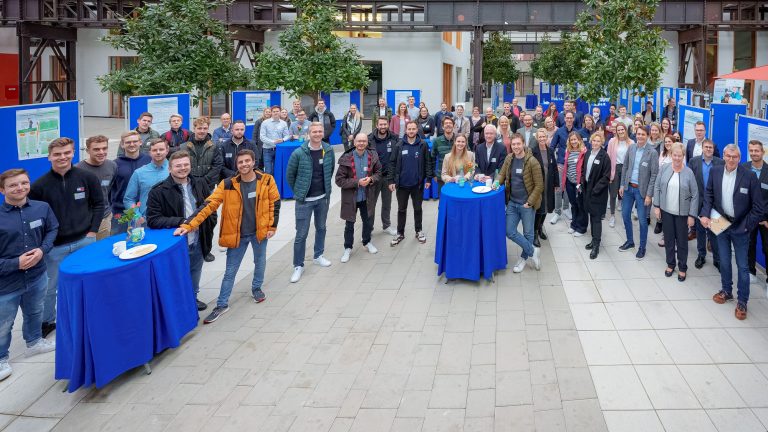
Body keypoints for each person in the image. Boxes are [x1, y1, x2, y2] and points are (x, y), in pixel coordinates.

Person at [176, 149, 281, 323]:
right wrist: (188, 224)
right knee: (230, 271)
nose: (244, 164)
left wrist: (272, 226)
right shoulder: (228, 184)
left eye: (247, 161)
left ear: (254, 162)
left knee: (260, 262)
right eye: (240, 162)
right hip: (236, 236)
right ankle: (222, 304)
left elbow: (274, 203)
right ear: (236, 165)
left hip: (259, 233)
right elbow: (208, 205)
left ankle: (256, 288)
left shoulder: (267, 180)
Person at [29, 138, 104, 338]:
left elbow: (98, 205)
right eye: (57, 154)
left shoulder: (87, 178)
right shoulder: (39, 186)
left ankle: (89, 313)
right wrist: (45, 245)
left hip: (84, 241)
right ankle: (47, 322)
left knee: (88, 280)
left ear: (73, 153)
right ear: (49, 157)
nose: (62, 157)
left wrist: (92, 232)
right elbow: (36, 219)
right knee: (50, 288)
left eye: (67, 153)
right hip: (55, 248)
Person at [0, 168, 59, 381]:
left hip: (37, 276)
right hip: (6, 284)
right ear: (2, 189)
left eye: (24, 183)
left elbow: (53, 229)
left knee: (35, 311)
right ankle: (0, 358)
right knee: (4, 323)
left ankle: (34, 342)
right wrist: (16, 263)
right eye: (13, 185)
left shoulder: (42, 208)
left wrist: (42, 249)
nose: (20, 188)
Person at [701, 144, 765, 320]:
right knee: (724, 261)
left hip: (741, 228)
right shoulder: (715, 171)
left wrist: (746, 226)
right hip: (720, 224)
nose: (731, 159)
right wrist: (705, 214)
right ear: (723, 155)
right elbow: (709, 195)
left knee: (743, 267)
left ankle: (742, 301)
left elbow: (758, 208)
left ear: (739, 158)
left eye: (735, 157)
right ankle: (726, 291)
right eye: (728, 156)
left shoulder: (749, 176)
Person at [146, 151, 214, 312]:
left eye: (186, 165)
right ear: (169, 169)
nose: (183, 168)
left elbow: (210, 207)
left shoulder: (200, 183)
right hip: (176, 242)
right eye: (178, 166)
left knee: (195, 270)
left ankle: (192, 297)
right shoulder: (158, 191)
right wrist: (182, 222)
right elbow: (153, 219)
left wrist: (210, 225)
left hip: (198, 239)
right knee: (175, 275)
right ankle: (176, 305)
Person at [286, 122, 335, 283]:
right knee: (301, 234)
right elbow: (290, 176)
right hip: (304, 201)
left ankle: (318, 255)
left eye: (320, 131)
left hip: (322, 198)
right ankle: (298, 265)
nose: (317, 134)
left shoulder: (328, 150)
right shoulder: (299, 153)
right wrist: (299, 192)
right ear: (309, 133)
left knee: (321, 228)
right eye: (314, 131)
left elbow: (330, 169)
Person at [495, 133, 543, 273]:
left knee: (528, 234)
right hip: (512, 202)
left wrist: (530, 202)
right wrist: (496, 183)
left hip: (527, 204)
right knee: (509, 231)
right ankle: (533, 251)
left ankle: (523, 258)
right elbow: (502, 174)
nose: (516, 147)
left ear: (523, 144)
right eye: (513, 144)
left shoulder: (532, 161)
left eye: (518, 144)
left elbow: (539, 185)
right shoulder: (509, 158)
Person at [653, 142, 698, 281]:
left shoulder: (689, 173)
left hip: (682, 214)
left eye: (680, 155)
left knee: (682, 242)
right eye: (675, 155)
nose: (677, 158)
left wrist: (691, 215)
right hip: (666, 211)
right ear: (671, 155)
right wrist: (657, 206)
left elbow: (695, 195)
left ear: (683, 156)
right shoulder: (665, 168)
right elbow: (657, 186)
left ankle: (683, 267)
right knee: (669, 239)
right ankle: (670, 264)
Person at [336, 133, 382, 263]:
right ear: (354, 142)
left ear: (367, 142)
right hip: (351, 197)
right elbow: (339, 180)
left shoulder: (373, 156)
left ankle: (367, 242)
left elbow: (379, 173)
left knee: (367, 221)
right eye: (359, 141)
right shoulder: (346, 157)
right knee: (349, 224)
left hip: (367, 196)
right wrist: (357, 182)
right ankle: (347, 248)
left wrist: (371, 179)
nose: (361, 143)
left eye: (364, 141)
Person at [388, 121, 433, 246]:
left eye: (414, 129)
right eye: (409, 129)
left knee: (418, 209)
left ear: (417, 130)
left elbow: (428, 163)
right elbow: (391, 163)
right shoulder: (399, 145)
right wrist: (391, 180)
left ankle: (418, 231)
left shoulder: (423, 145)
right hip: (402, 185)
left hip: (417, 185)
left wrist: (428, 179)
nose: (412, 131)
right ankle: (400, 233)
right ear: (406, 130)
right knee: (401, 210)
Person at [619, 126, 659, 260]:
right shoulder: (631, 148)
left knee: (642, 221)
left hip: (642, 192)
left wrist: (649, 194)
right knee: (625, 215)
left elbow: (654, 175)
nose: (640, 136)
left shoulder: (652, 152)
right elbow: (625, 167)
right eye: (638, 134)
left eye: (643, 134)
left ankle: (642, 247)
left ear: (647, 136)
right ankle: (630, 241)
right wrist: (622, 184)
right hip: (628, 188)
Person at [689, 139, 723, 270]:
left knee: (715, 233)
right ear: (702, 148)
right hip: (698, 204)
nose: (709, 149)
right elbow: (690, 182)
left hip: (716, 205)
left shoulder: (720, 163)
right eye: (706, 147)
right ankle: (701, 255)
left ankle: (717, 259)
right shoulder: (693, 161)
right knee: (700, 231)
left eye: (711, 147)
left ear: (714, 149)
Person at [75, 135, 116, 240]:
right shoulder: (77, 170)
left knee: (102, 251)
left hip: (104, 218)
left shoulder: (112, 166)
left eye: (104, 148)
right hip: (83, 222)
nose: (101, 152)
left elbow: (110, 190)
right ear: (88, 150)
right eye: (96, 149)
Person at [111, 131, 151, 235]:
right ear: (122, 144)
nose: (132, 144)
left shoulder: (149, 160)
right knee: (121, 242)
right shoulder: (115, 164)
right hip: (121, 213)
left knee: (144, 244)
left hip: (144, 212)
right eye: (128, 142)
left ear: (140, 142)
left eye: (135, 141)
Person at [581, 133, 611, 259]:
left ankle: (596, 246)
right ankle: (593, 240)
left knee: (596, 218)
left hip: (598, 193)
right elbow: (583, 170)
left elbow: (606, 176)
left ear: (601, 142)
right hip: (588, 190)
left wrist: (595, 189)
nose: (595, 143)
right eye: (594, 141)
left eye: (598, 141)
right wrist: (583, 181)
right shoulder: (588, 153)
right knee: (591, 216)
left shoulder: (604, 156)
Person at [367, 117, 399, 236]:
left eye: (385, 124)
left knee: (387, 203)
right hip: (373, 177)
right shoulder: (369, 139)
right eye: (381, 124)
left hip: (388, 178)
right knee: (371, 204)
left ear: (388, 125)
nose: (383, 127)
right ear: (377, 125)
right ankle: (368, 229)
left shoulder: (394, 138)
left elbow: (397, 159)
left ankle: (386, 226)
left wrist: (394, 177)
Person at [744, 140, 768, 290]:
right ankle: (750, 272)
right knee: (749, 245)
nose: (753, 153)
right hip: (749, 217)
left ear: (763, 152)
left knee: (767, 248)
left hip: (765, 220)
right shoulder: (744, 168)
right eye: (751, 150)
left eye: (756, 151)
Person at [123, 138, 169, 215]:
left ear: (167, 150)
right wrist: (137, 216)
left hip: (171, 220)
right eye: (154, 150)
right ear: (149, 153)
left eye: (161, 149)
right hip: (146, 220)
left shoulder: (176, 170)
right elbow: (129, 199)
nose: (158, 152)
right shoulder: (139, 173)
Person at [531, 129, 558, 247]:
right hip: (538, 185)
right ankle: (535, 233)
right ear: (537, 138)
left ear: (547, 138)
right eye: (540, 137)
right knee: (538, 209)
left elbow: (555, 168)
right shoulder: (533, 151)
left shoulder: (550, 151)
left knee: (547, 207)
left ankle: (541, 227)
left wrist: (556, 183)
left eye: (544, 137)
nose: (542, 139)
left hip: (549, 184)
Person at [550, 111, 578, 223]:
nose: (569, 120)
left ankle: (566, 208)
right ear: (564, 118)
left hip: (572, 164)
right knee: (559, 188)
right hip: (561, 164)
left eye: (571, 118)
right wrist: (555, 163)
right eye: (567, 118)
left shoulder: (577, 132)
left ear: (574, 119)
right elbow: (551, 147)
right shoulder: (559, 131)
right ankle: (557, 212)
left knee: (569, 188)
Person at [606, 122, 633, 228]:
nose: (621, 132)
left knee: (625, 193)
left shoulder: (631, 143)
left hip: (626, 169)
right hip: (615, 168)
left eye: (623, 129)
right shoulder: (612, 141)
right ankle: (612, 215)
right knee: (613, 194)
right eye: (619, 130)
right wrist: (608, 173)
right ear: (616, 131)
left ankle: (625, 216)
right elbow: (608, 157)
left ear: (626, 130)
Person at [562, 132, 588, 237]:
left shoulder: (584, 151)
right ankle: (574, 225)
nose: (573, 142)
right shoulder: (568, 151)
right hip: (569, 182)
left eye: (575, 139)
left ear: (579, 140)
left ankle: (582, 228)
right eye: (571, 140)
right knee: (573, 204)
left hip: (579, 183)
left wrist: (582, 183)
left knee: (580, 205)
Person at [260, 106, 291, 175]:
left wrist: (283, 140)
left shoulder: (283, 123)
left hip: (279, 149)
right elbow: (262, 137)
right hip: (267, 149)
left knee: (277, 170)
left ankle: (276, 185)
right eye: (274, 111)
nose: (276, 113)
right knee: (268, 171)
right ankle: (268, 185)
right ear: (271, 113)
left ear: (280, 112)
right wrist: (273, 142)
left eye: (277, 111)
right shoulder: (265, 123)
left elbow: (287, 135)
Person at [431, 117, 457, 193]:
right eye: (446, 123)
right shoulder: (437, 141)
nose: (448, 125)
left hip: (458, 176)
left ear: (454, 126)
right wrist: (434, 174)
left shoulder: (460, 139)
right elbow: (432, 158)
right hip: (442, 176)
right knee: (443, 200)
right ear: (442, 127)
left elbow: (467, 156)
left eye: (450, 123)